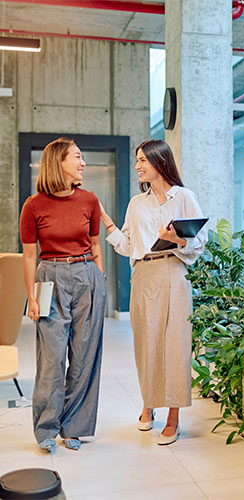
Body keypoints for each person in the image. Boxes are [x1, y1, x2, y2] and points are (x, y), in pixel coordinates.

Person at [100, 139, 207, 445]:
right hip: (143, 274)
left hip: (173, 271)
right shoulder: (137, 203)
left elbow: (200, 241)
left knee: (174, 344)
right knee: (146, 343)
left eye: (142, 160)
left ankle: (173, 416)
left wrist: (177, 240)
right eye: (137, 160)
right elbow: (129, 246)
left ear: (160, 162)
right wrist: (107, 223)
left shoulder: (184, 197)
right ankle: (149, 404)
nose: (137, 166)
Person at [20, 137, 106, 452]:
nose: (83, 163)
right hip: (49, 277)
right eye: (77, 157)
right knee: (51, 358)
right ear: (59, 162)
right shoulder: (33, 205)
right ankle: (46, 428)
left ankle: (74, 427)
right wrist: (31, 298)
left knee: (84, 357)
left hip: (86, 275)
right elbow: (30, 255)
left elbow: (95, 245)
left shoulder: (90, 200)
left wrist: (99, 280)